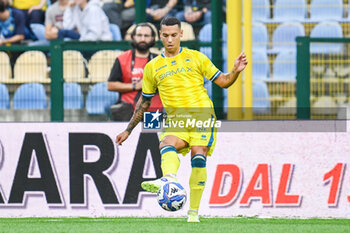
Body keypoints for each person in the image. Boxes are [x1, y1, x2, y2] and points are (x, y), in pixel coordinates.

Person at [116, 17, 247, 222]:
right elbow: (144, 102)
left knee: (198, 154)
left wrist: (235, 71)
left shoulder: (197, 58)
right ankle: (169, 180)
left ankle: (193, 213)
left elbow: (223, 82)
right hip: (176, 120)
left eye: (174, 35)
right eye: (166, 35)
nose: (170, 40)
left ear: (181, 35)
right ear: (160, 36)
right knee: (166, 144)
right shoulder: (153, 67)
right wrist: (128, 130)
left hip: (202, 116)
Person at [108, 23, 162, 121]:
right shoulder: (122, 58)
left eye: (146, 36)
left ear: (153, 38)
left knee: (153, 136)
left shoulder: (160, 60)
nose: (142, 39)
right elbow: (111, 85)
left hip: (154, 111)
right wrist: (135, 86)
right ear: (133, 37)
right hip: (127, 111)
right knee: (127, 136)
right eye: (139, 35)